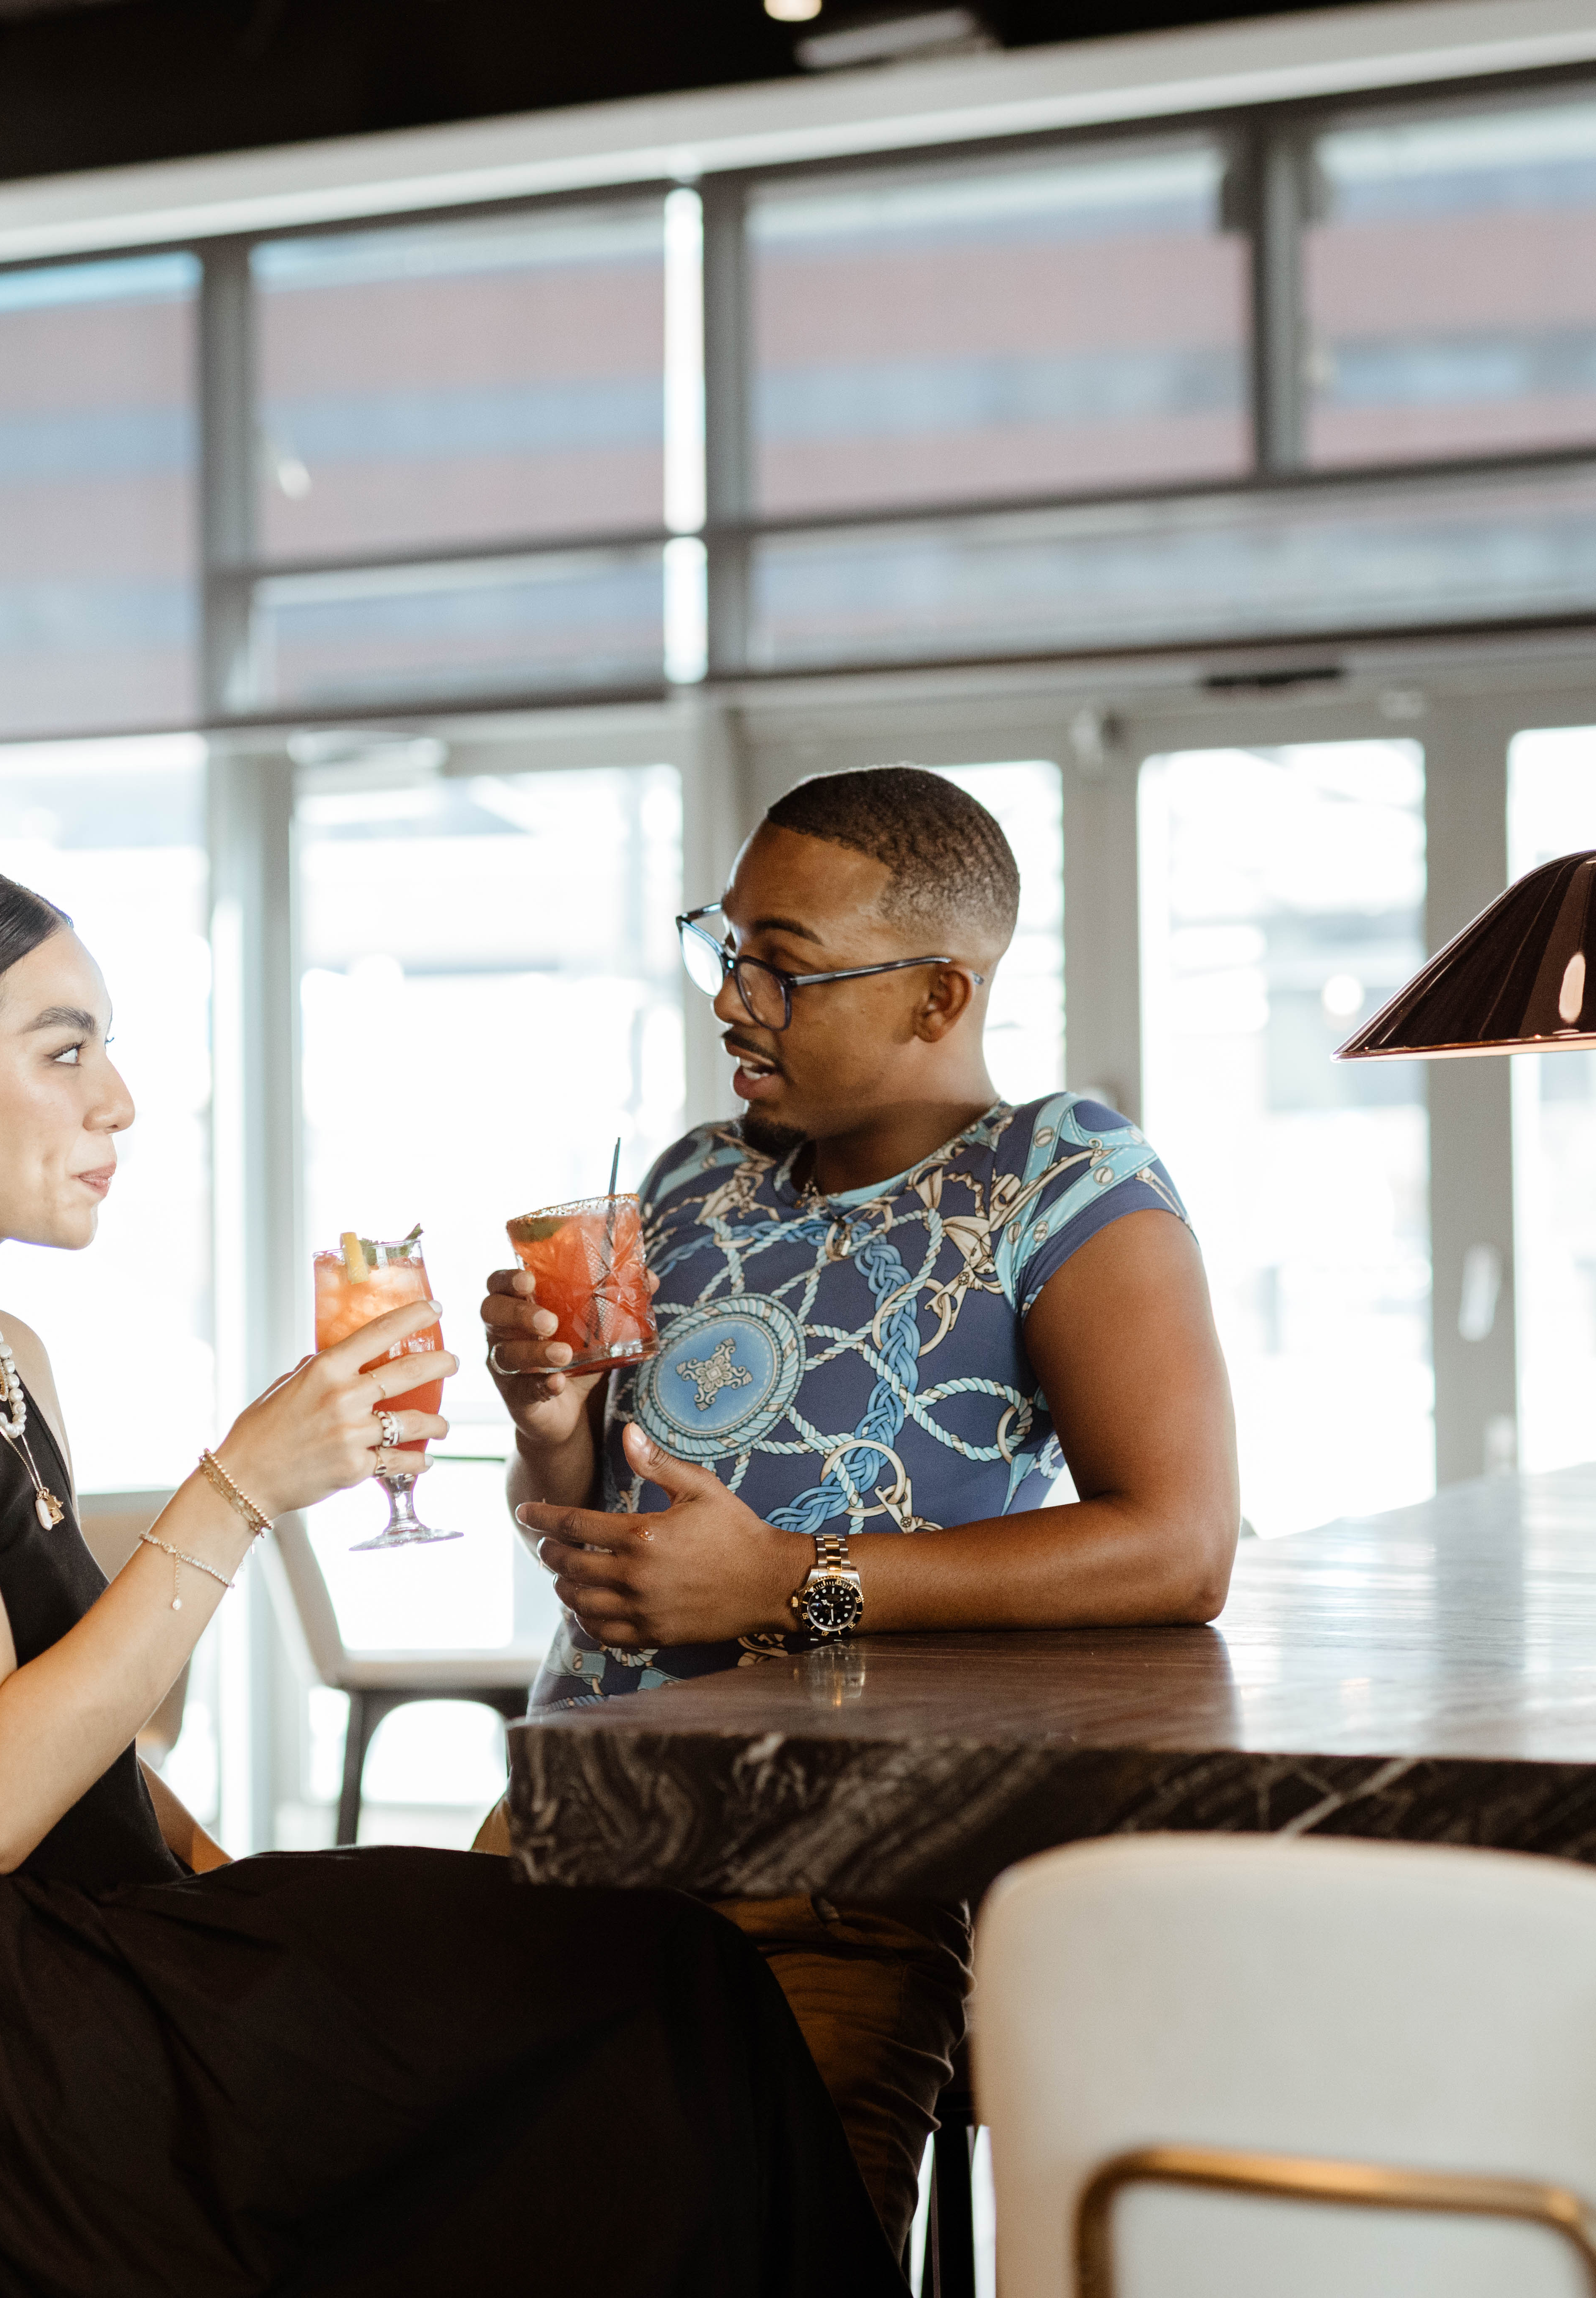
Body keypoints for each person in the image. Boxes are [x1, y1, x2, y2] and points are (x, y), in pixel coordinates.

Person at [0, 858, 899, 2298]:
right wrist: (245, 1484)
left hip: (96, 1958)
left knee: (661, 1984)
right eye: (64, 1049)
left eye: (110, 1048)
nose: (116, 1099)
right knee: (658, 2002)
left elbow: (88, 1758)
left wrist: (257, 1892)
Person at [483, 765, 1241, 2254]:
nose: (734, 1002)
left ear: (938, 995)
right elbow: (594, 1520)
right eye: (728, 945)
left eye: (788, 965)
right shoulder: (696, 1181)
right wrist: (555, 1424)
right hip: (577, 1820)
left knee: (763, 2243)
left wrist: (786, 1583)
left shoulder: (1059, 1177)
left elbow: (1178, 1541)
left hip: (831, 1864)